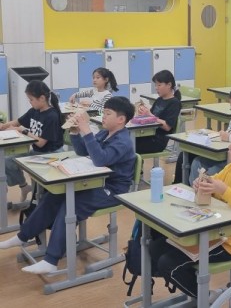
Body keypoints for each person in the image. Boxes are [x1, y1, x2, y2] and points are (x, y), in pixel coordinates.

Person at [0, 96, 136, 274]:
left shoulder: (123, 141)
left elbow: (100, 160)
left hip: (112, 190)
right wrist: (75, 132)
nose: (103, 116)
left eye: (108, 113)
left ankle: (51, 260)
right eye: (104, 112)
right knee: (53, 196)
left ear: (121, 119)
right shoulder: (105, 133)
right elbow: (83, 151)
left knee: (70, 205)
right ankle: (23, 235)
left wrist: (87, 131)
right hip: (94, 182)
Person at [149, 122, 231, 298]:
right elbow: (213, 183)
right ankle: (194, 289)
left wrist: (224, 190)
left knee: (168, 263)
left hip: (230, 243)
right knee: (156, 247)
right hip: (212, 231)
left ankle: (206, 299)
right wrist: (202, 184)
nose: (229, 146)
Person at [174, 86, 231, 183]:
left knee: (207, 170)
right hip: (229, 154)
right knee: (196, 162)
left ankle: (205, 188)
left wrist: (229, 137)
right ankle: (195, 189)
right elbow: (230, 131)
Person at [0, 80, 63, 202]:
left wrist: (23, 131)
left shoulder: (52, 116)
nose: (30, 102)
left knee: (13, 161)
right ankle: (24, 186)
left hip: (50, 155)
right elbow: (17, 122)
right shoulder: (34, 110)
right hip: (37, 153)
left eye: (31, 99)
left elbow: (41, 143)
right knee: (7, 161)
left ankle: (38, 196)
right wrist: (3, 126)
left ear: (42, 98)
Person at [135, 70, 181, 154]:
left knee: (129, 145)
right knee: (126, 139)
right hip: (148, 134)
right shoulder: (159, 99)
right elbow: (151, 117)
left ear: (169, 85)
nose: (156, 88)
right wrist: (144, 113)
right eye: (155, 85)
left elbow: (167, 127)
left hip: (157, 141)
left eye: (159, 85)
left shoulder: (174, 103)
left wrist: (149, 115)